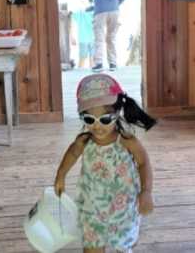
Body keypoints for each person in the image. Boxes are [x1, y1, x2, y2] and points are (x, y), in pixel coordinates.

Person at [54, 74, 157, 253]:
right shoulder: (84, 141)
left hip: (122, 209)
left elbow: (143, 163)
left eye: (105, 119)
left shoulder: (126, 140)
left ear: (117, 114)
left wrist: (146, 191)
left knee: (123, 246)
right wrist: (60, 175)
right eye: (89, 120)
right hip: (91, 208)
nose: (97, 126)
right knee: (92, 249)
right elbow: (71, 154)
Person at [86, 0, 128, 72]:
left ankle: (99, 64)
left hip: (100, 10)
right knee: (111, 37)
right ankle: (113, 63)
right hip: (115, 10)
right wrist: (118, 2)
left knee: (99, 37)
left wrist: (91, 2)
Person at [71, 0, 95, 68]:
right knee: (85, 59)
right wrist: (72, 36)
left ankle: (81, 75)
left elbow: (70, 19)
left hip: (90, 39)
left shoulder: (80, 12)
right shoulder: (80, 12)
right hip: (86, 39)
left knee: (89, 60)